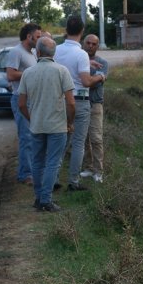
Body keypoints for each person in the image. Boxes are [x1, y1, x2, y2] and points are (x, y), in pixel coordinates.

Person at [18, 37, 75, 212]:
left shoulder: (28, 72)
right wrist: (69, 122)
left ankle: (38, 198)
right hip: (57, 126)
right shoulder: (61, 71)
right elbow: (71, 103)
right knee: (53, 163)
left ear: (38, 52)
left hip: (37, 125)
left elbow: (21, 104)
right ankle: (46, 200)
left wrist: (31, 118)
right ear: (54, 53)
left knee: (37, 162)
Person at [54, 16, 106, 191]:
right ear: (82, 32)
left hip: (60, 100)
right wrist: (100, 76)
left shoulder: (56, 50)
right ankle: (73, 181)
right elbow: (86, 81)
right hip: (79, 100)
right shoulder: (81, 54)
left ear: (66, 29)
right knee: (78, 142)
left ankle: (53, 178)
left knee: (61, 141)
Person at [6, 23, 42, 184]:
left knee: (34, 136)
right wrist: (32, 73)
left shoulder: (33, 52)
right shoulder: (16, 51)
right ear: (29, 36)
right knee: (26, 137)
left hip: (33, 100)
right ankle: (25, 175)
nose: (39, 40)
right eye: (38, 36)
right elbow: (11, 75)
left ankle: (32, 171)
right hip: (21, 99)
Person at [79, 34, 109, 182]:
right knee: (83, 139)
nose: (90, 46)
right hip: (80, 102)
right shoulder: (78, 59)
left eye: (94, 44)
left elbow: (92, 83)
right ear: (83, 43)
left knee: (96, 138)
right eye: (88, 43)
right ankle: (88, 167)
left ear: (97, 46)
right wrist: (91, 78)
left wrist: (86, 79)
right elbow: (83, 81)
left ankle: (99, 171)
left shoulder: (103, 62)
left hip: (95, 104)